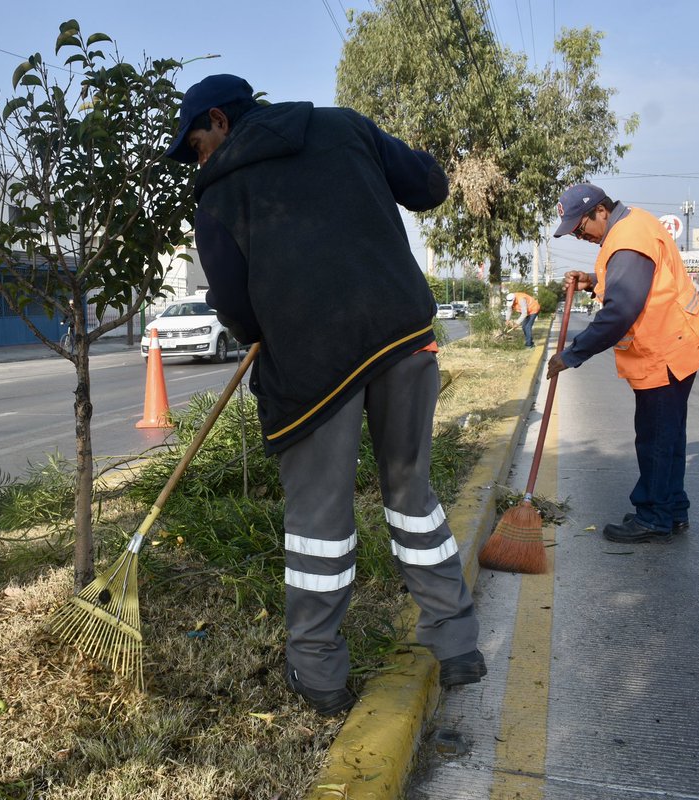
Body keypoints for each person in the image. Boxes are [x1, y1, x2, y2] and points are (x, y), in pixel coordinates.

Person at [165, 74, 483, 715]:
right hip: (402, 338)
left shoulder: (220, 194)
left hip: (313, 367)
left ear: (221, 122)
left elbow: (233, 305)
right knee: (411, 493)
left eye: (195, 145)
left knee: (318, 526)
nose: (197, 160)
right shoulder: (342, 125)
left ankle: (319, 672)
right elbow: (429, 185)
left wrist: (267, 327)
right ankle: (456, 644)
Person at [548, 183, 699, 543]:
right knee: (669, 437)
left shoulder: (626, 239)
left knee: (656, 438)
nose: (580, 237)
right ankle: (672, 510)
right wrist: (592, 281)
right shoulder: (633, 224)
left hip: (665, 352)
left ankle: (654, 517)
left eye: (581, 228)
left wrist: (571, 354)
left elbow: (620, 311)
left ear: (601, 211)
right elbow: (633, 282)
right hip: (678, 344)